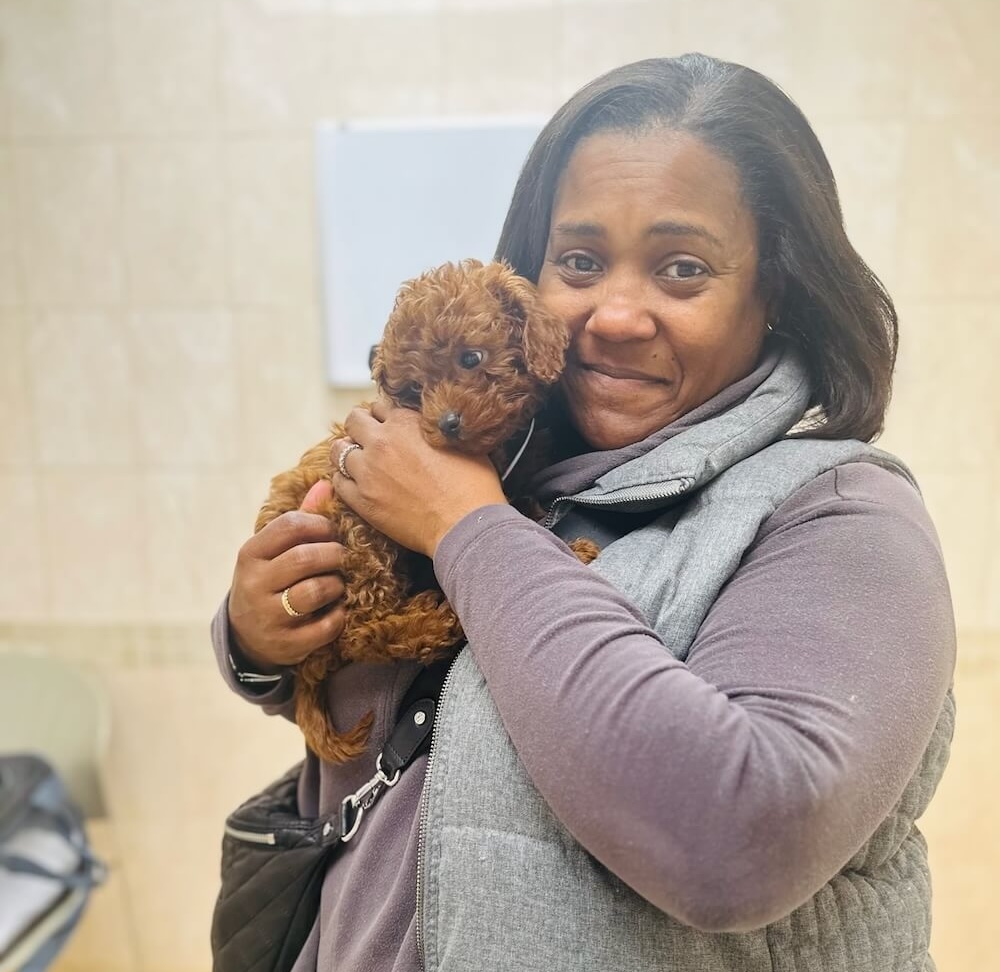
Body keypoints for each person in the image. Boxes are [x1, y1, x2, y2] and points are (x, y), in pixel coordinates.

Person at [213, 53, 955, 972]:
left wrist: (467, 531)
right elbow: (396, 708)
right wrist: (258, 636)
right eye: (579, 261)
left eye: (681, 268)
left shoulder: (843, 519)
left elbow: (741, 839)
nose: (613, 313)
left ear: (777, 292)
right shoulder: (494, 462)